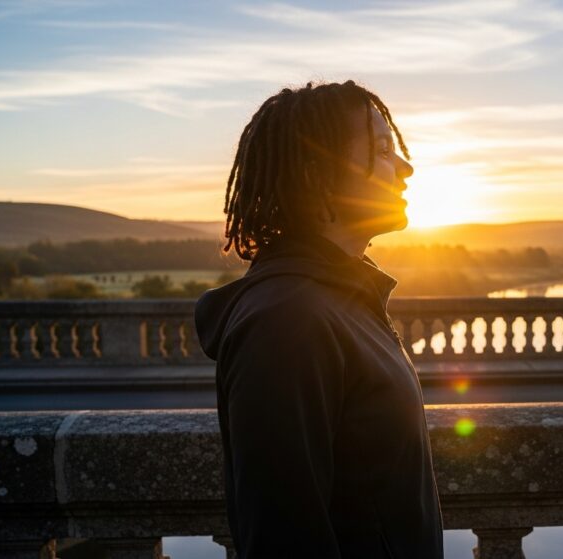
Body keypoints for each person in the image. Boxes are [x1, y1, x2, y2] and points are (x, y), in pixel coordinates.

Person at [195, 81, 443, 558]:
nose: (407, 168)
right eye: (383, 150)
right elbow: (282, 536)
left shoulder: (337, 299)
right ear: (317, 176)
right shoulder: (288, 320)